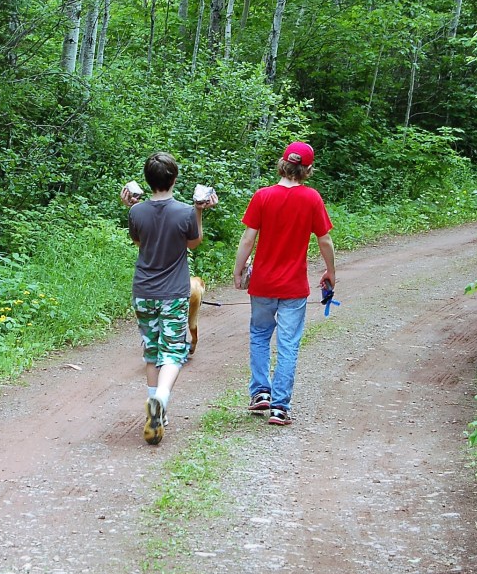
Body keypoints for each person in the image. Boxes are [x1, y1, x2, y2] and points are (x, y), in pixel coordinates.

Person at [232, 141, 335, 425]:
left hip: (263, 284)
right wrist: (330, 272)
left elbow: (248, 238)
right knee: (288, 344)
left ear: (282, 163)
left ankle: (260, 392)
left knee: (260, 335)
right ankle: (279, 407)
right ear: (308, 169)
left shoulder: (262, 196)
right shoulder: (312, 199)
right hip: (293, 287)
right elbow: (324, 239)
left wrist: (239, 270)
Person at [121, 152, 218, 445]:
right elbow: (194, 241)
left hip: (144, 291)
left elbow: (139, 241)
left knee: (151, 350)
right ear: (174, 179)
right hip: (174, 293)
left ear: (148, 181)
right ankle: (161, 400)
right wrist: (200, 210)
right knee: (174, 352)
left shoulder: (136, 212)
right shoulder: (185, 212)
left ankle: (156, 411)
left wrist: (132, 208)